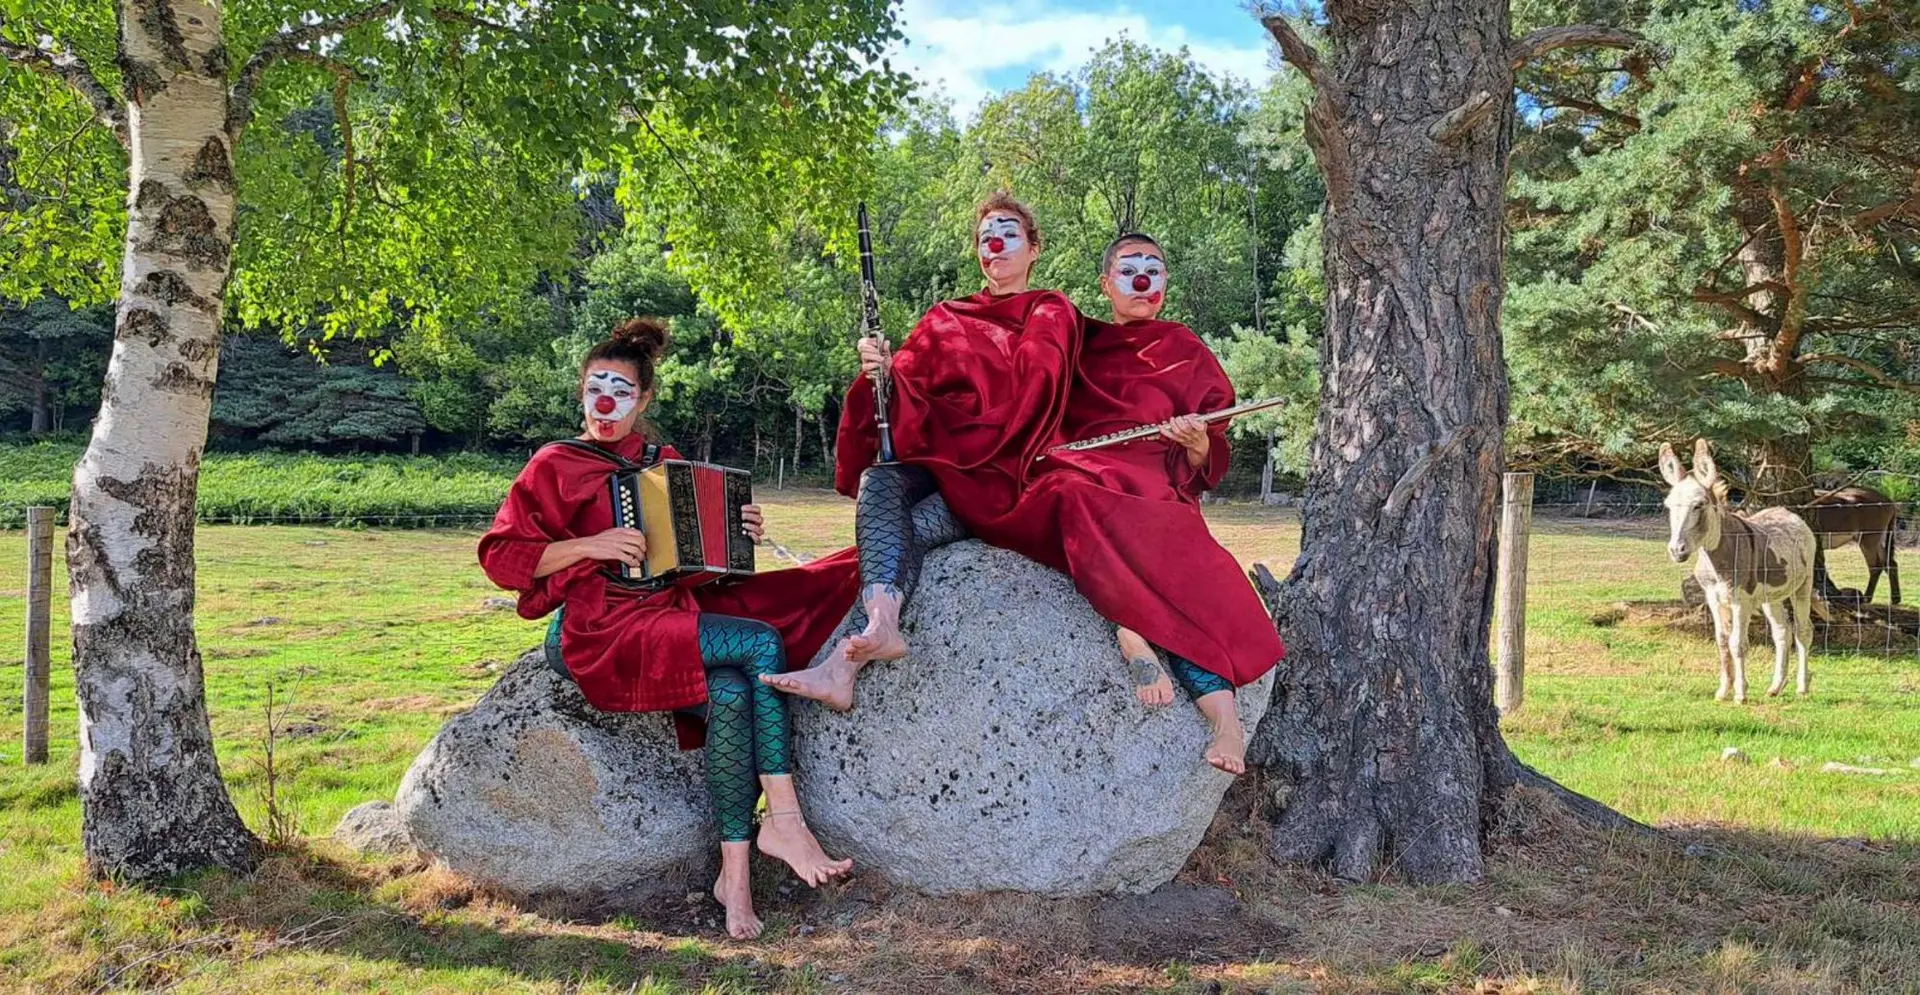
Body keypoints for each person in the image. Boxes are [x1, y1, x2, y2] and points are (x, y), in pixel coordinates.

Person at [478, 318, 859, 940]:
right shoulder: (556, 463)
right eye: (595, 389)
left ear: (644, 400)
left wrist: (738, 535)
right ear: (580, 392)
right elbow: (501, 557)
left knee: (732, 695)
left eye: (621, 392)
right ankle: (785, 821)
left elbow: (695, 568)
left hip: (663, 614)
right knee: (761, 643)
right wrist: (591, 544)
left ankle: (734, 876)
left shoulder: (665, 464)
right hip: (598, 627)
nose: (606, 404)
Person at [766, 192, 1083, 709]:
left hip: (1003, 478)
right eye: (985, 237)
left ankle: (841, 667)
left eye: (1008, 233)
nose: (995, 244)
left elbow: (1036, 388)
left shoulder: (1050, 310)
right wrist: (883, 372)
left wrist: (961, 426)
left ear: (1034, 248)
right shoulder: (946, 317)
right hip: (944, 467)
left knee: (898, 534)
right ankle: (880, 629)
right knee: (879, 482)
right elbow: (908, 396)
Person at [996, 233, 1285, 774]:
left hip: (1158, 486)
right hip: (1087, 472)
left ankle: (1225, 721)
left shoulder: (1185, 347)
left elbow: (1206, 461)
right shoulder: (1079, 341)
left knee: (1195, 579)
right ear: (1106, 284)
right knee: (1068, 490)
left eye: (1154, 269)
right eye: (1129, 270)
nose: (1143, 280)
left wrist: (1196, 442)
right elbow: (1016, 370)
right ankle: (1131, 625)